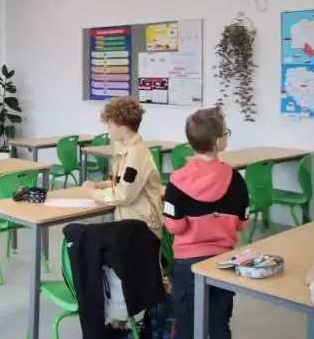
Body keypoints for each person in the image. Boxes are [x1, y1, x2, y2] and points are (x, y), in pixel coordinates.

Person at [164, 106, 247, 339]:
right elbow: (241, 224)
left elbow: (174, 226)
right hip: (222, 260)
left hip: (187, 262)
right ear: (219, 142)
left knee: (186, 324)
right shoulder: (235, 178)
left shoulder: (177, 180)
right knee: (219, 323)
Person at [82, 96, 164, 238]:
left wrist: (95, 193)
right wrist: (105, 185)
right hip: (132, 221)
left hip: (142, 226)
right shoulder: (127, 149)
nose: (108, 129)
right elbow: (124, 183)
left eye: (110, 125)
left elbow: (123, 195)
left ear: (124, 129)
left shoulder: (136, 155)